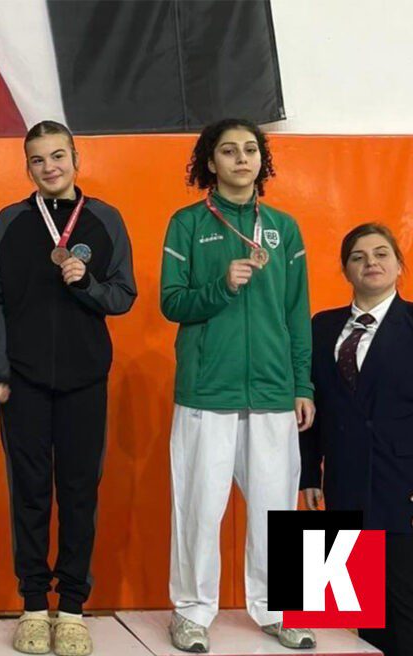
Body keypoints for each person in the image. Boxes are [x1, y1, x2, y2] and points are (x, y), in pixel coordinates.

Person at [0, 120, 136, 655]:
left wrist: (87, 285)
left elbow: (124, 295)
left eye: (58, 156)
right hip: (23, 381)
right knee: (30, 492)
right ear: (27, 167)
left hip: (85, 380)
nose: (50, 167)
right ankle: (33, 606)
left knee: (80, 493)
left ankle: (73, 609)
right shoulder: (11, 221)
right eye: (38, 160)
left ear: (75, 159)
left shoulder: (105, 219)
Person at [159, 118, 316, 652]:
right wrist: (220, 286)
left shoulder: (284, 228)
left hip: (273, 390)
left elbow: (297, 314)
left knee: (278, 510)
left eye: (250, 149)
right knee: (199, 508)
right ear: (211, 162)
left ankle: (281, 609)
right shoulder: (186, 224)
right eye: (229, 151)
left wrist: (302, 384)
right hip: (207, 390)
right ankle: (191, 612)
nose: (242, 158)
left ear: (260, 161)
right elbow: (171, 303)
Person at [301, 223, 413, 656]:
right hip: (338, 487)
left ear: (399, 265)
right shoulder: (321, 325)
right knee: (335, 626)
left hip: (402, 488)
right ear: (345, 269)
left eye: (382, 253)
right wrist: (308, 474)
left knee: (404, 618)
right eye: (358, 256)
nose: (371, 263)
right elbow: (307, 404)